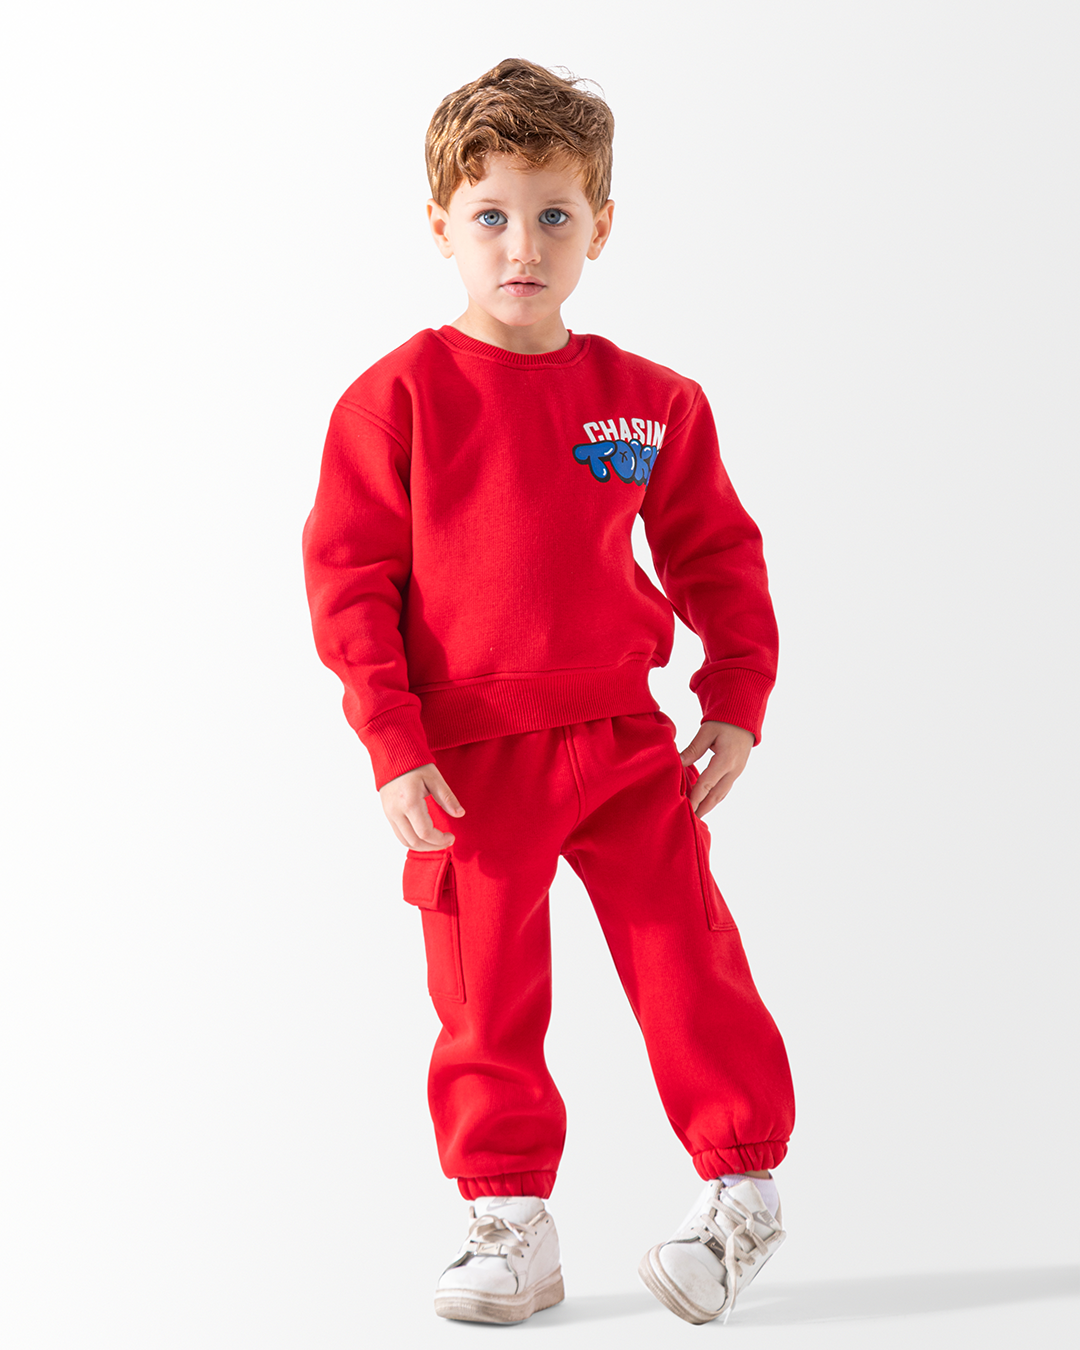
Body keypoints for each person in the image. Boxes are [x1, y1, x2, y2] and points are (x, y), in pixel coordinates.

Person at [301, 56, 796, 1327]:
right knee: (486, 996)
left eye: (554, 215)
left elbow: (717, 553)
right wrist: (392, 739)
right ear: (441, 226)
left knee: (689, 961)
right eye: (492, 215)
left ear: (601, 226)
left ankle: (743, 1193)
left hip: (627, 743)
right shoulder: (395, 401)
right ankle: (510, 1221)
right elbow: (349, 584)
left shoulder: (651, 402)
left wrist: (734, 696)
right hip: (469, 765)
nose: (523, 246)